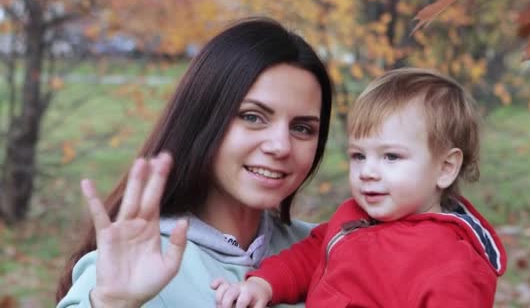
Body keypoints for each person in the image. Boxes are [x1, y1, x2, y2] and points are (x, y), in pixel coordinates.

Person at [55, 17, 333, 307]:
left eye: (302, 128)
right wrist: (112, 303)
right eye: (252, 117)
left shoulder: (331, 247)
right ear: (203, 119)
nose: (280, 146)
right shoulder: (134, 264)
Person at [213, 68, 508, 308]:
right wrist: (263, 284)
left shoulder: (450, 263)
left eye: (391, 156)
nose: (367, 172)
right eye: (358, 156)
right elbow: (310, 256)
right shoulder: (352, 217)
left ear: (445, 168)